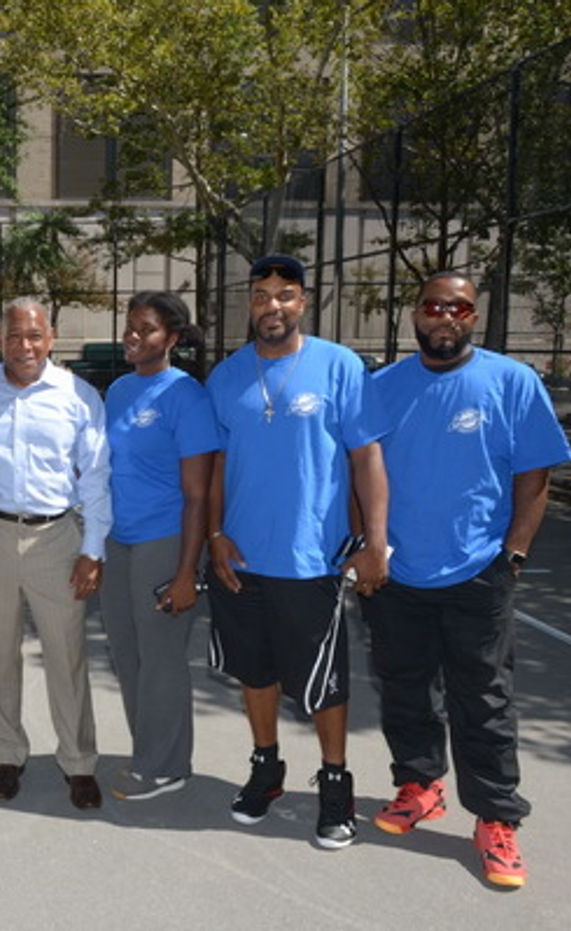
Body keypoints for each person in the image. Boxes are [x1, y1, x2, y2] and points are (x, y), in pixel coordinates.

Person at [364, 272, 571, 889]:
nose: (444, 317)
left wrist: (512, 555)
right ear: (415, 316)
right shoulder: (383, 387)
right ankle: (419, 787)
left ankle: (496, 820)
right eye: (433, 306)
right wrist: (368, 549)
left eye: (458, 308)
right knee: (403, 685)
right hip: (397, 571)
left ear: (473, 316)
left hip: (478, 570)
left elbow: (534, 478)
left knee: (482, 698)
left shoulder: (513, 382)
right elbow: (360, 472)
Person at [205, 253, 390, 849]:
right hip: (242, 557)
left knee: (324, 684)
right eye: (261, 296)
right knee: (254, 672)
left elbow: (367, 460)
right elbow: (215, 467)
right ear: (250, 304)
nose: (272, 306)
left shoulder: (339, 367)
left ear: (304, 301)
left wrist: (374, 543)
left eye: (285, 294)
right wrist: (214, 535)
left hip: (312, 558)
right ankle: (267, 768)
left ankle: (335, 784)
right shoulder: (227, 377)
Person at [0, 297, 112, 810]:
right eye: (15, 336)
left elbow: (98, 478)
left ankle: (79, 762)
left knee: (67, 656)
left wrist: (92, 550)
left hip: (56, 540)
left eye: (35, 336)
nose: (25, 346)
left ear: (52, 337)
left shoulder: (78, 396)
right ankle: (6, 754)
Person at [101, 291, 218, 801]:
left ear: (170, 339)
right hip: (118, 541)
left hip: (165, 542)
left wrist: (187, 571)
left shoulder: (186, 396)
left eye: (145, 329)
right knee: (128, 656)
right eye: (129, 326)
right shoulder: (121, 388)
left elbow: (198, 494)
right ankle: (147, 750)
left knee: (162, 659)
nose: (132, 336)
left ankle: (166, 764)